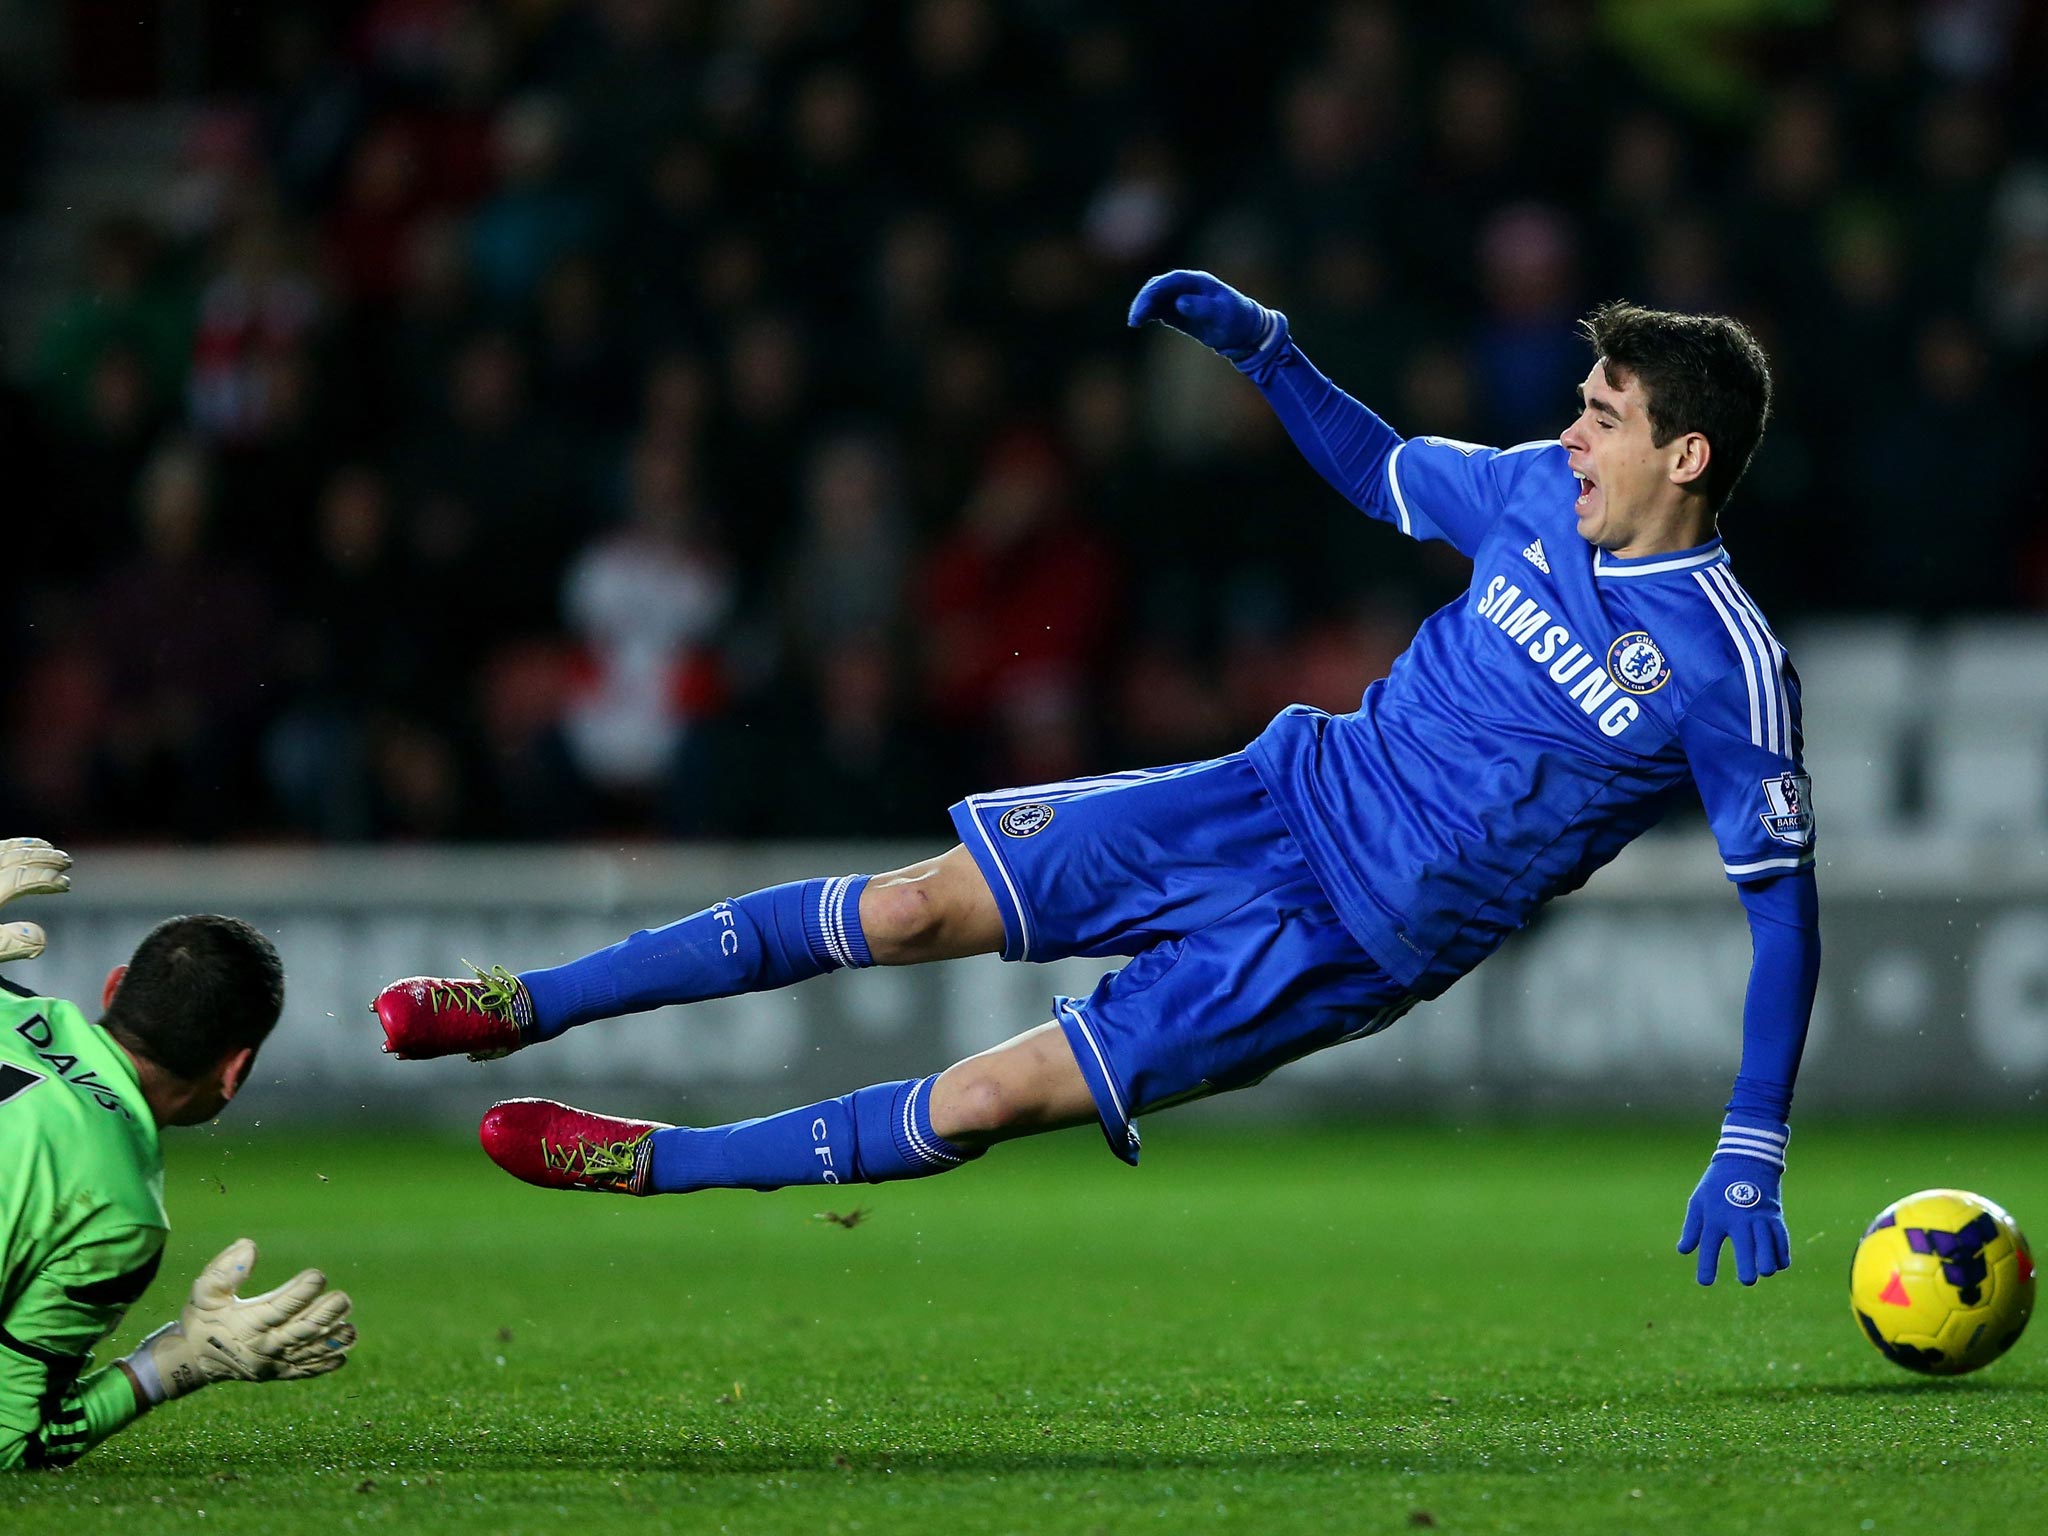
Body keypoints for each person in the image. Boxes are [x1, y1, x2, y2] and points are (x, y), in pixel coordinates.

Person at [375, 272, 1820, 1290]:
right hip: (1274, 795)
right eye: (1576, 405)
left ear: (1684, 455)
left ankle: (651, 1163)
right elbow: (1381, 470)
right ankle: (527, 1005)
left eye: (1603, 416)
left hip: (1345, 945)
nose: (1569, 431)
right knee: (911, 907)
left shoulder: (1728, 671)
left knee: (988, 1101)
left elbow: (1782, 911)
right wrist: (1268, 357)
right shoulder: (1527, 493)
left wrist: (1750, 1139)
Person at [0, 846, 356, 1470]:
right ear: (235, 1070)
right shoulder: (115, 1210)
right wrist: (174, 1363)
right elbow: (9, 1442)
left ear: (115, 988)